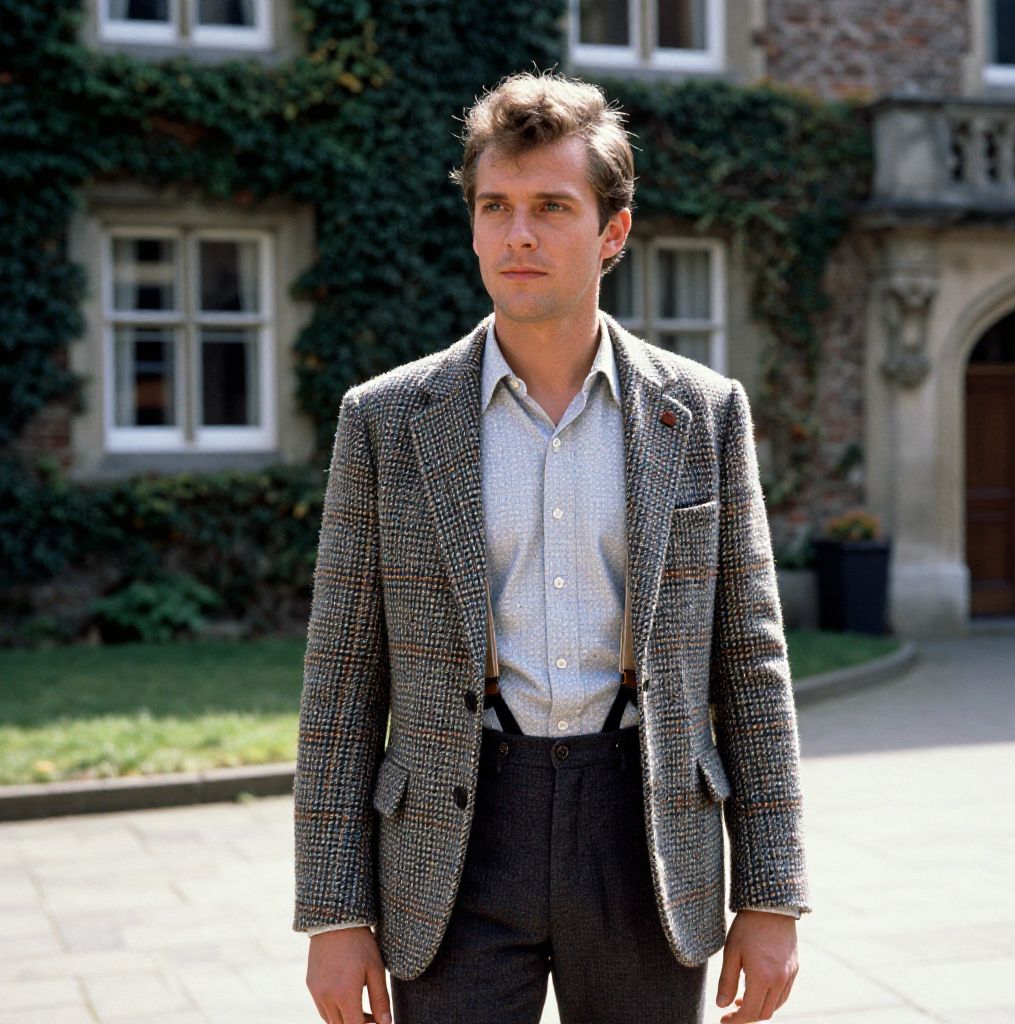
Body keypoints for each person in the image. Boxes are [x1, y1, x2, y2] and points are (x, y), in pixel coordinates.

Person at [293, 70, 811, 1024]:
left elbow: (751, 661)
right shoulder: (387, 420)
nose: (517, 234)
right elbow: (341, 677)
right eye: (496, 206)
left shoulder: (700, 413)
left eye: (550, 207)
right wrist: (334, 912)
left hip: (647, 838)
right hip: (451, 846)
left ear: (611, 233)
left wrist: (770, 895)